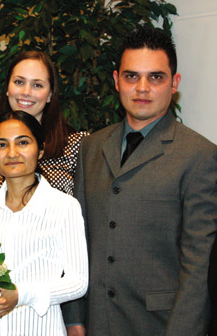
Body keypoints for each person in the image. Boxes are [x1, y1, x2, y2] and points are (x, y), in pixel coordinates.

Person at [67, 27, 217, 335]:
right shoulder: (90, 147)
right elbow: (76, 241)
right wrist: (74, 318)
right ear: (116, 80)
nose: (142, 88)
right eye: (132, 76)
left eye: (156, 77)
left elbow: (198, 266)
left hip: (159, 326)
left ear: (174, 83)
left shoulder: (200, 156)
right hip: (94, 322)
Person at [0, 111, 88, 335]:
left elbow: (78, 282)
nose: (12, 153)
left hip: (41, 328)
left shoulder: (64, 206)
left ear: (41, 149)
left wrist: (21, 294)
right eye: (2, 145)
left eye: (23, 142)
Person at [0, 51, 88, 195]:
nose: (26, 92)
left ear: (49, 94)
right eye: (19, 82)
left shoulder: (78, 146)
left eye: (37, 85)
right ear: (7, 89)